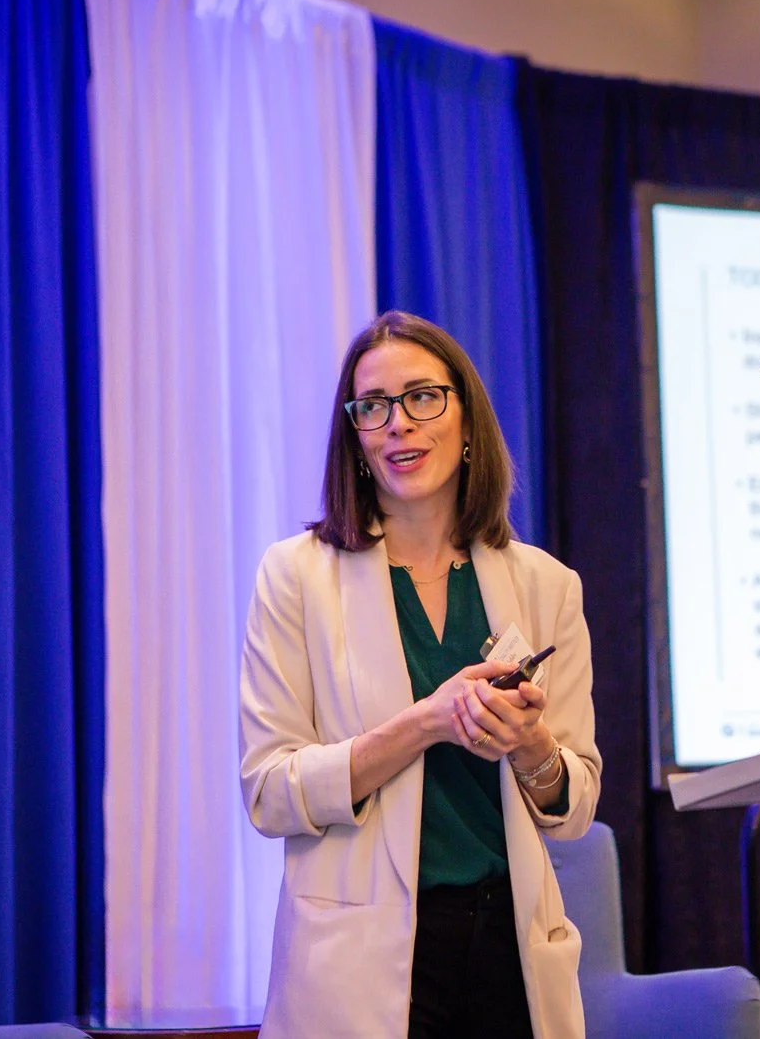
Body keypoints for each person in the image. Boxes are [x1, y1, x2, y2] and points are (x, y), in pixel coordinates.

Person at [239, 311, 601, 1039]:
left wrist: (530, 744)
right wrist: (427, 722)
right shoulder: (296, 577)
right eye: (373, 406)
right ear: (356, 438)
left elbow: (575, 805)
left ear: (467, 421)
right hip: (362, 965)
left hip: (509, 953)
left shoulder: (547, 584)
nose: (399, 422)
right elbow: (270, 792)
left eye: (423, 397)